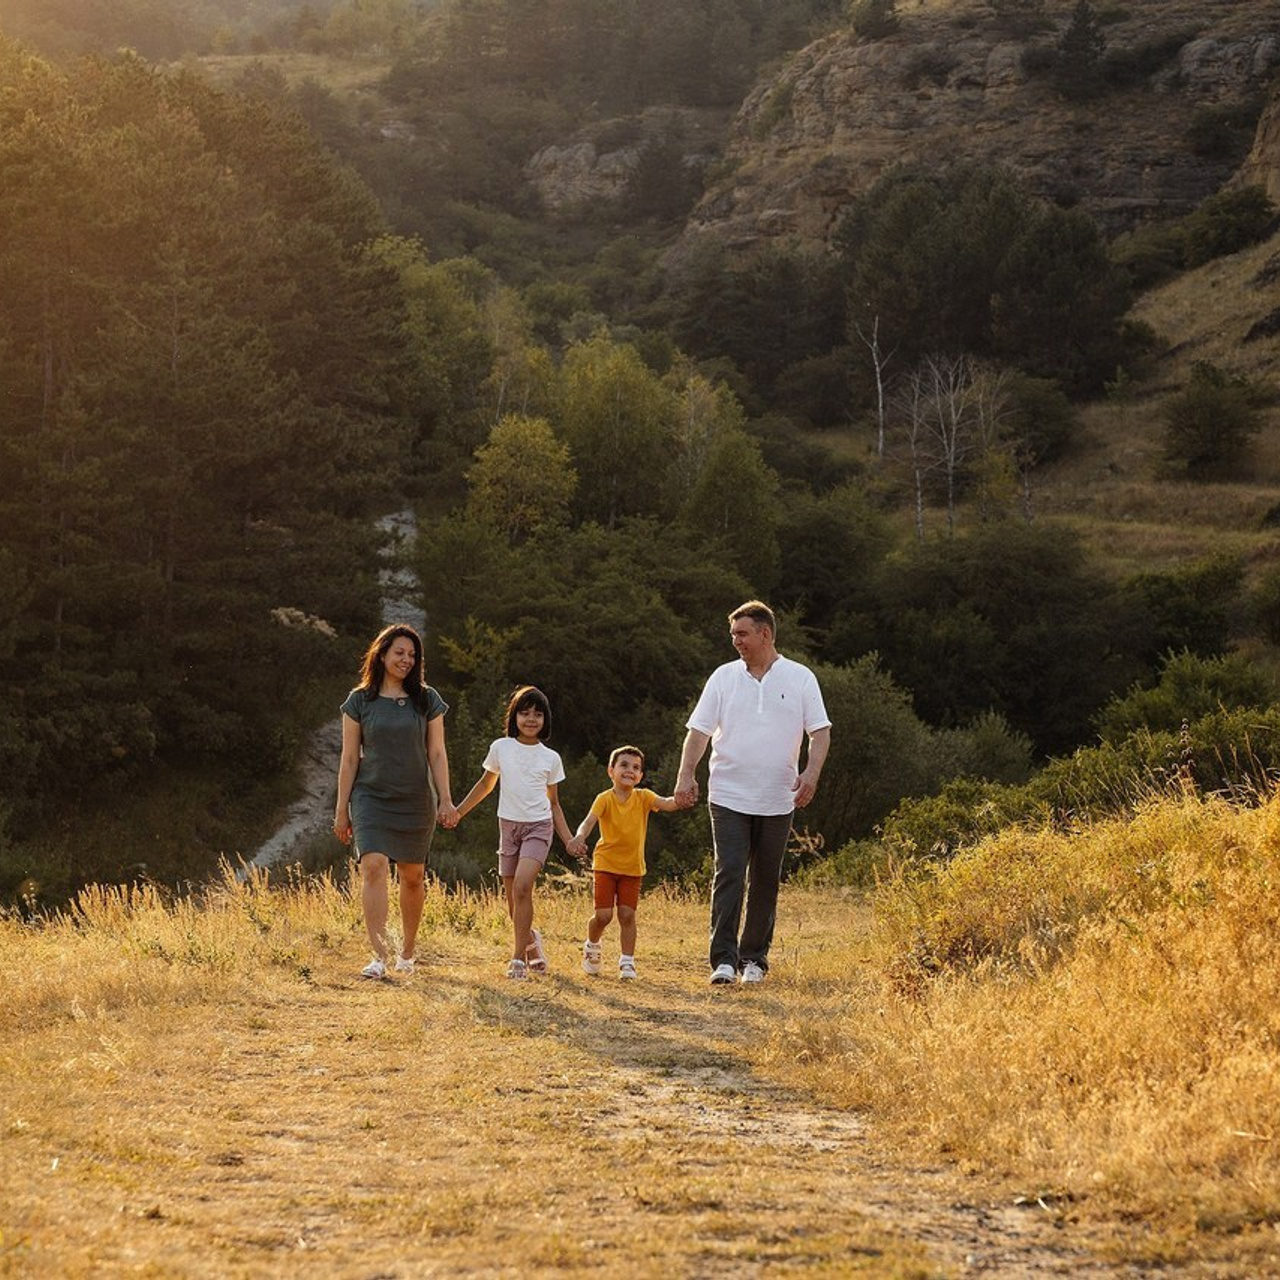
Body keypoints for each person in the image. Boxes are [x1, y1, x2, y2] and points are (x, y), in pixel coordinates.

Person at [675, 601, 831, 986]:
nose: (735, 641)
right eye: (733, 635)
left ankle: (754, 960)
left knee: (765, 878)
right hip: (727, 794)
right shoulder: (723, 678)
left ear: (765, 633)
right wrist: (685, 775)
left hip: (778, 798)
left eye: (742, 634)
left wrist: (810, 772)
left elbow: (820, 732)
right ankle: (723, 960)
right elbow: (698, 732)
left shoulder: (800, 677)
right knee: (729, 872)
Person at [335, 623, 458, 980]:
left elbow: (436, 753)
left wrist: (446, 799)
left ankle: (407, 951)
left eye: (412, 654)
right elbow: (348, 758)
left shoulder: (427, 699)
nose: (406, 660)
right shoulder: (359, 700)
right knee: (372, 866)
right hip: (370, 795)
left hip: (415, 797)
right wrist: (342, 809)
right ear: (382, 654)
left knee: (413, 877)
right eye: (399, 653)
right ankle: (379, 955)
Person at [455, 685, 577, 980]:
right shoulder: (501, 748)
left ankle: (518, 958)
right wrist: (458, 812)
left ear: (545, 719)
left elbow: (554, 803)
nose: (531, 719)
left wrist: (569, 838)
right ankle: (533, 944)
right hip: (507, 827)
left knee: (523, 886)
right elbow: (486, 785)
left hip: (539, 826)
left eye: (538, 714)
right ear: (514, 717)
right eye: (524, 713)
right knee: (513, 903)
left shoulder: (551, 758)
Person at [571, 745, 685, 981]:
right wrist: (579, 837)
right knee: (603, 916)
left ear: (641, 776)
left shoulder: (644, 797)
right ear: (611, 771)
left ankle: (627, 962)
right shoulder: (604, 799)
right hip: (605, 864)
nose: (630, 771)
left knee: (627, 915)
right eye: (623, 765)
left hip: (632, 868)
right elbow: (588, 821)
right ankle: (592, 945)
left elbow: (667, 803)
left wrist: (682, 799)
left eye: (636, 767)